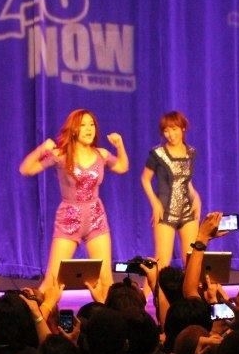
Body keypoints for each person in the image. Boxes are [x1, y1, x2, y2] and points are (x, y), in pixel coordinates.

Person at [19, 108, 129, 293]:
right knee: (52, 281)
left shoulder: (101, 154)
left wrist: (120, 146)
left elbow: (122, 166)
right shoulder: (61, 155)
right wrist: (42, 149)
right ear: (73, 129)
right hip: (68, 220)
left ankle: (108, 311)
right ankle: (40, 311)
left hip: (96, 219)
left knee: (105, 280)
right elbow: (26, 169)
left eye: (92, 125)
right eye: (83, 125)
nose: (89, 129)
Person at [140, 111, 201, 269]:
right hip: (165, 212)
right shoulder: (157, 154)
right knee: (162, 262)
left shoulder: (191, 152)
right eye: (166, 131)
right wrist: (155, 203)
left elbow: (186, 181)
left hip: (188, 211)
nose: (171, 134)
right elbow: (145, 179)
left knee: (192, 262)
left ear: (183, 128)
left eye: (174, 129)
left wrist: (197, 198)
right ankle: (149, 286)